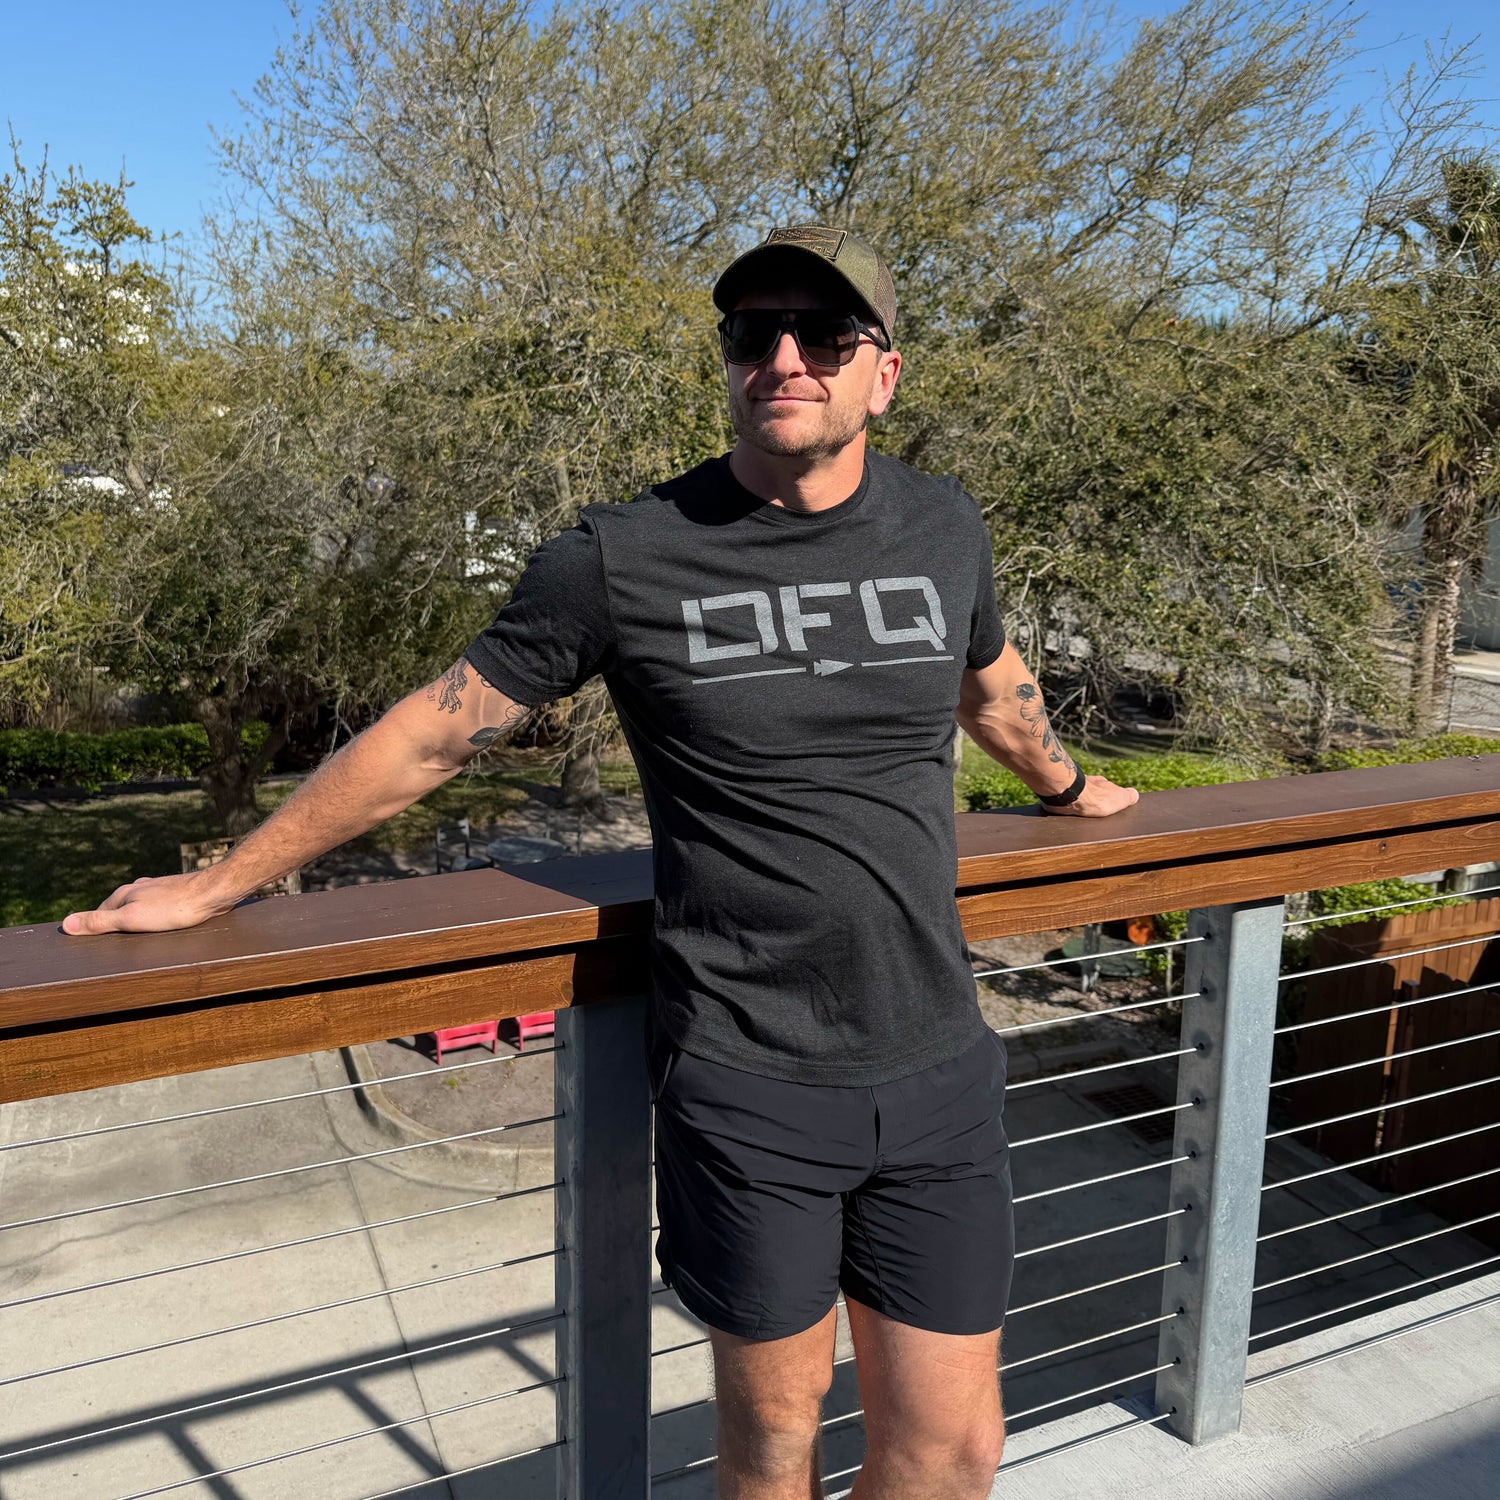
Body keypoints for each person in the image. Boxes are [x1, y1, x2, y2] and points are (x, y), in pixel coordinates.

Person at [64, 225, 1138, 1499]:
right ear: (732, 364)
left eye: (826, 335)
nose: (785, 358)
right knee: (773, 1452)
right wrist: (222, 882)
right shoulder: (626, 553)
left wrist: (1069, 786)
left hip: (938, 1058)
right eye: (755, 335)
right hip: (751, 1078)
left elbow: (991, 683)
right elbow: (434, 732)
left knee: (956, 1453)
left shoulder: (942, 523)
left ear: (883, 375)